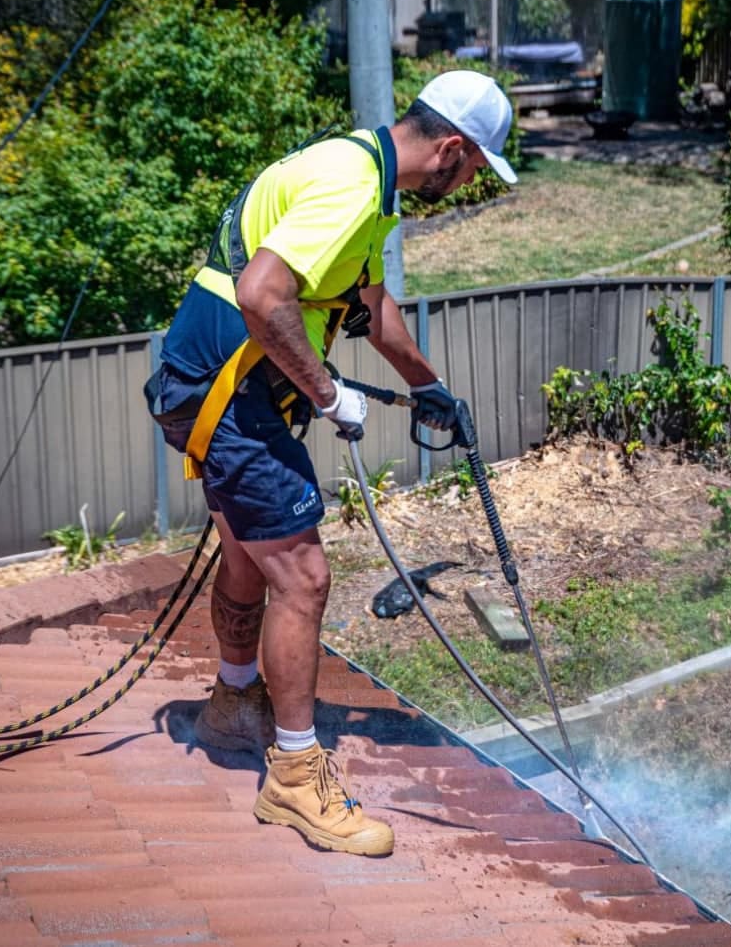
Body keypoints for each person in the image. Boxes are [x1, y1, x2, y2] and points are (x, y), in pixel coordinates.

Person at [149, 70, 517, 857]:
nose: (473, 181)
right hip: (231, 396)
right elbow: (262, 292)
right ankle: (292, 777)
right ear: (451, 149)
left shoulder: (363, 177)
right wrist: (327, 395)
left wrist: (430, 389)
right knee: (304, 576)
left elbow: (371, 309)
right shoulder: (351, 185)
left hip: (209, 387)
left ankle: (233, 704)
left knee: (253, 564)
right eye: (479, 165)